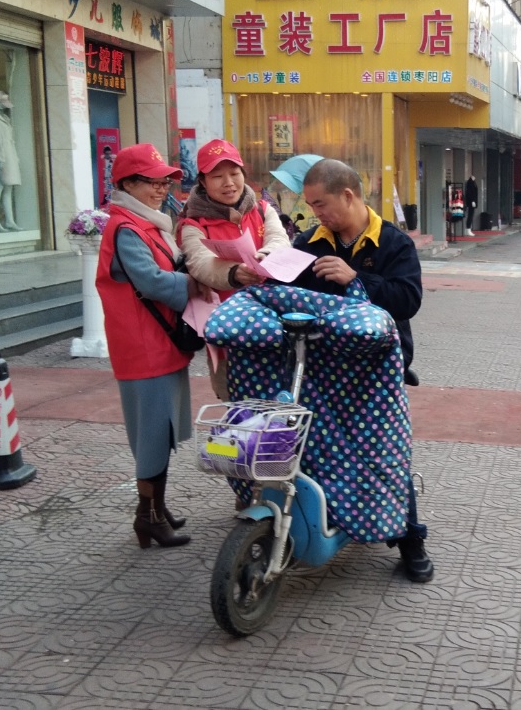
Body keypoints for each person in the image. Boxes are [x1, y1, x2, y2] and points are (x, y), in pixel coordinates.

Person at [290, 158, 432, 583]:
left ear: (348, 196)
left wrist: (356, 278)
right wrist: (266, 269)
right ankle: (324, 518)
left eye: (321, 204)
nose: (316, 213)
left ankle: (410, 539)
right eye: (311, 205)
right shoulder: (308, 242)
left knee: (384, 454)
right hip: (321, 364)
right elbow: (286, 291)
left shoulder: (392, 243)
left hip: (376, 368)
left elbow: (408, 300)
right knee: (313, 445)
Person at [95, 143, 199, 549]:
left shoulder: (148, 224)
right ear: (126, 184)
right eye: (151, 182)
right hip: (144, 349)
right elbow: (152, 282)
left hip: (161, 344)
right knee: (152, 436)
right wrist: (195, 283)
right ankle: (148, 517)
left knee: (161, 432)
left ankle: (157, 507)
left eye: (164, 182)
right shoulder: (125, 229)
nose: (161, 189)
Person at [177, 139, 291, 399]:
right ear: (202, 182)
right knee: (236, 405)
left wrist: (265, 256)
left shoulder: (262, 210)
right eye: (217, 176)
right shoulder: (193, 223)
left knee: (277, 403)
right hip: (226, 331)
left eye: (234, 173)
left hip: (271, 324)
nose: (228, 183)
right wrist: (234, 273)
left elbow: (279, 239)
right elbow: (200, 261)